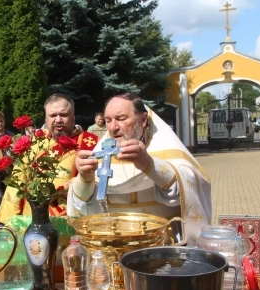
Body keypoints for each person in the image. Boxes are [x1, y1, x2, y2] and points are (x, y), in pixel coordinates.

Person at [67, 93, 211, 245]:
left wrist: (147, 163)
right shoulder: (101, 152)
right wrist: (85, 178)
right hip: (115, 244)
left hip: (161, 244)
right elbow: (82, 204)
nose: (112, 128)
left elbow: (185, 189)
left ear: (143, 120)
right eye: (108, 120)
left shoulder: (166, 147)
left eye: (121, 119)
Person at [0, 94, 99, 224]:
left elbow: (95, 183)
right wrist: (6, 222)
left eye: (64, 115)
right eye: (53, 115)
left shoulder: (91, 143)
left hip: (71, 221)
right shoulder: (34, 143)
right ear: (46, 117)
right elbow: (17, 183)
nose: (58, 120)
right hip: (31, 221)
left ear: (73, 115)